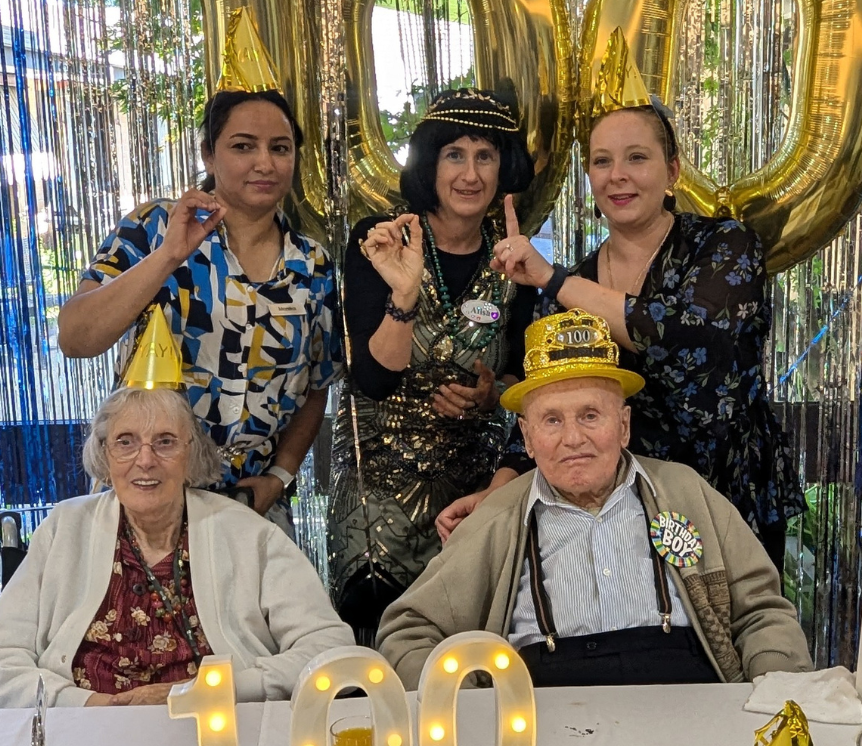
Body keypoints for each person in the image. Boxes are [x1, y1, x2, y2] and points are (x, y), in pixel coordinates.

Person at [443, 96, 805, 567]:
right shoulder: (568, 286)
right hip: (619, 515)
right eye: (601, 161)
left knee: (735, 636)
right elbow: (544, 402)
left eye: (637, 157)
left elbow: (687, 337)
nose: (618, 175)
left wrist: (554, 280)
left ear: (672, 170)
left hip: (730, 499)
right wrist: (494, 493)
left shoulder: (724, 244)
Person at [376, 309, 811, 688]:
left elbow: (763, 613)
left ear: (623, 426)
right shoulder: (499, 516)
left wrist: (773, 697)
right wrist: (467, 709)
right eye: (551, 420)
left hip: (689, 704)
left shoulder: (685, 491)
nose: (573, 439)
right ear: (526, 438)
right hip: (540, 716)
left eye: (590, 415)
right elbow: (408, 631)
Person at [58, 87, 339, 534]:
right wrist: (168, 256)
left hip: (251, 508)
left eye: (280, 148)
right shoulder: (155, 227)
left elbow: (317, 386)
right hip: (147, 494)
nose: (264, 163)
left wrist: (278, 478)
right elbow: (76, 338)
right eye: (243, 146)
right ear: (209, 154)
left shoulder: (313, 265)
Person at [0, 388, 352, 708]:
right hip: (85, 741)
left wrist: (219, 692)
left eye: (165, 442)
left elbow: (331, 652)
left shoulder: (248, 533)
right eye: (126, 442)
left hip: (217, 737)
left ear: (191, 455)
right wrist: (85, 705)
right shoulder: (65, 529)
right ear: (105, 455)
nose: (145, 460)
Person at [329, 89, 539, 646]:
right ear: (430, 163)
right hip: (378, 494)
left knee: (467, 655)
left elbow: (527, 378)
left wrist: (495, 396)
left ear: (503, 168)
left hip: (472, 493)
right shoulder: (382, 241)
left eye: (485, 156)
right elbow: (371, 379)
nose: (470, 174)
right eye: (454, 155)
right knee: (380, 656)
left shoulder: (514, 256)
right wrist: (402, 294)